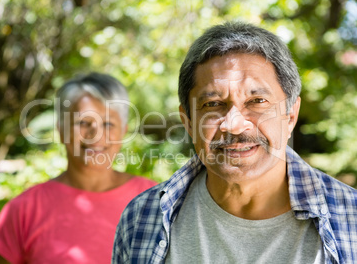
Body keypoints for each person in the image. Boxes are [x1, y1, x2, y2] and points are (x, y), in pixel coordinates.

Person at [112, 22, 357, 264]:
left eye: (257, 101)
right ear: (187, 122)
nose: (234, 124)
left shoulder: (351, 219)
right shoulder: (141, 217)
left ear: (290, 115)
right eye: (213, 104)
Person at [0, 73, 157, 264]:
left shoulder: (156, 201)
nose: (96, 134)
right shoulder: (24, 210)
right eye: (83, 123)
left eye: (108, 123)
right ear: (61, 130)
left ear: (123, 131)